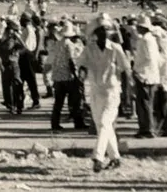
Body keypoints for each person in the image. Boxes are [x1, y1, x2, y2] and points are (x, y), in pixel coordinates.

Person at [77, 14, 130, 173]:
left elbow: (126, 70)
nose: (104, 33)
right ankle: (115, 158)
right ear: (95, 33)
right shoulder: (89, 49)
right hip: (95, 91)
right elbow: (82, 65)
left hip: (111, 92)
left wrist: (127, 94)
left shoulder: (115, 49)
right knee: (103, 127)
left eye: (106, 29)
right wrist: (81, 72)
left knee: (104, 123)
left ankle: (98, 157)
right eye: (101, 30)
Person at [50, 22, 84, 131]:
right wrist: (76, 75)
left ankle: (55, 123)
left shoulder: (57, 43)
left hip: (57, 76)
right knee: (75, 100)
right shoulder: (69, 44)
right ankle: (78, 122)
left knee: (58, 102)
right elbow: (71, 61)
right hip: (68, 76)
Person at [132, 14, 160, 139]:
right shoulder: (151, 39)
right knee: (147, 103)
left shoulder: (145, 40)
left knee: (144, 104)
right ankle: (147, 128)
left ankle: (147, 129)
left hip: (145, 75)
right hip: (150, 74)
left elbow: (148, 58)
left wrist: (137, 70)